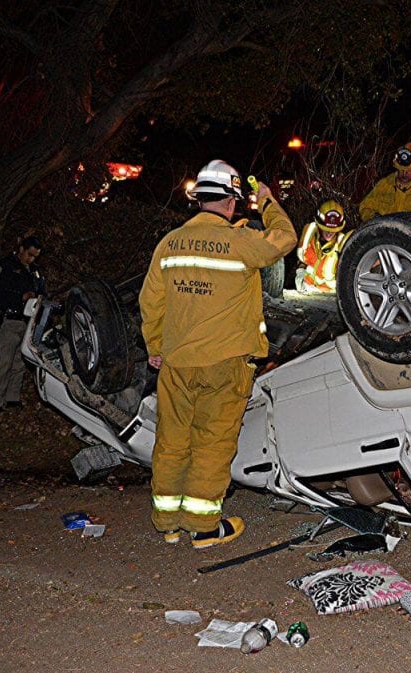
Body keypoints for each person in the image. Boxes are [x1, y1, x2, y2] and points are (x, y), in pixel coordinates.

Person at [139, 159, 297, 549]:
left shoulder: (169, 243)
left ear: (199, 200)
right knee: (212, 443)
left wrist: (155, 348)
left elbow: (150, 302)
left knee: (172, 440)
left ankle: (168, 522)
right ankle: (205, 528)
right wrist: (268, 203)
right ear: (231, 201)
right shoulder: (239, 241)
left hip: (176, 363)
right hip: (225, 364)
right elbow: (286, 239)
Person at [0, 236, 45, 411]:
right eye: (29, 254)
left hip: (28, 322)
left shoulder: (35, 271)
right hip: (10, 320)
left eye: (35, 256)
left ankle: (12, 398)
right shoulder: (5, 266)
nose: (31, 259)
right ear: (21, 249)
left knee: (20, 361)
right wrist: (19, 298)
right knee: (5, 361)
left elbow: (42, 292)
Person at [358, 143, 411, 222]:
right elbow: (365, 207)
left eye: (409, 170)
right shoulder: (384, 185)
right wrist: (376, 220)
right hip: (383, 234)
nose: (404, 173)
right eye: (401, 169)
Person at [296, 199, 350, 293]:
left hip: (329, 297)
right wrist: (300, 271)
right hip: (306, 290)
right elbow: (304, 260)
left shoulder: (343, 245)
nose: (329, 232)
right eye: (326, 229)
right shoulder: (309, 235)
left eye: (333, 230)